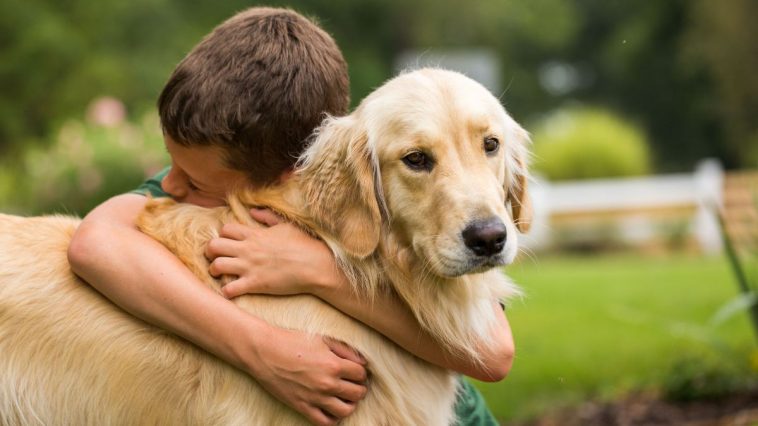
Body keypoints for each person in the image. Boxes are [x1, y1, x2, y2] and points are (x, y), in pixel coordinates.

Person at [67, 7, 513, 426]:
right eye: (173, 164)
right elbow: (94, 243)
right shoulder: (216, 171)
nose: (170, 186)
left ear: (284, 177)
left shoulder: (351, 174)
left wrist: (318, 272)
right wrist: (261, 348)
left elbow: (494, 354)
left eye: (196, 180)